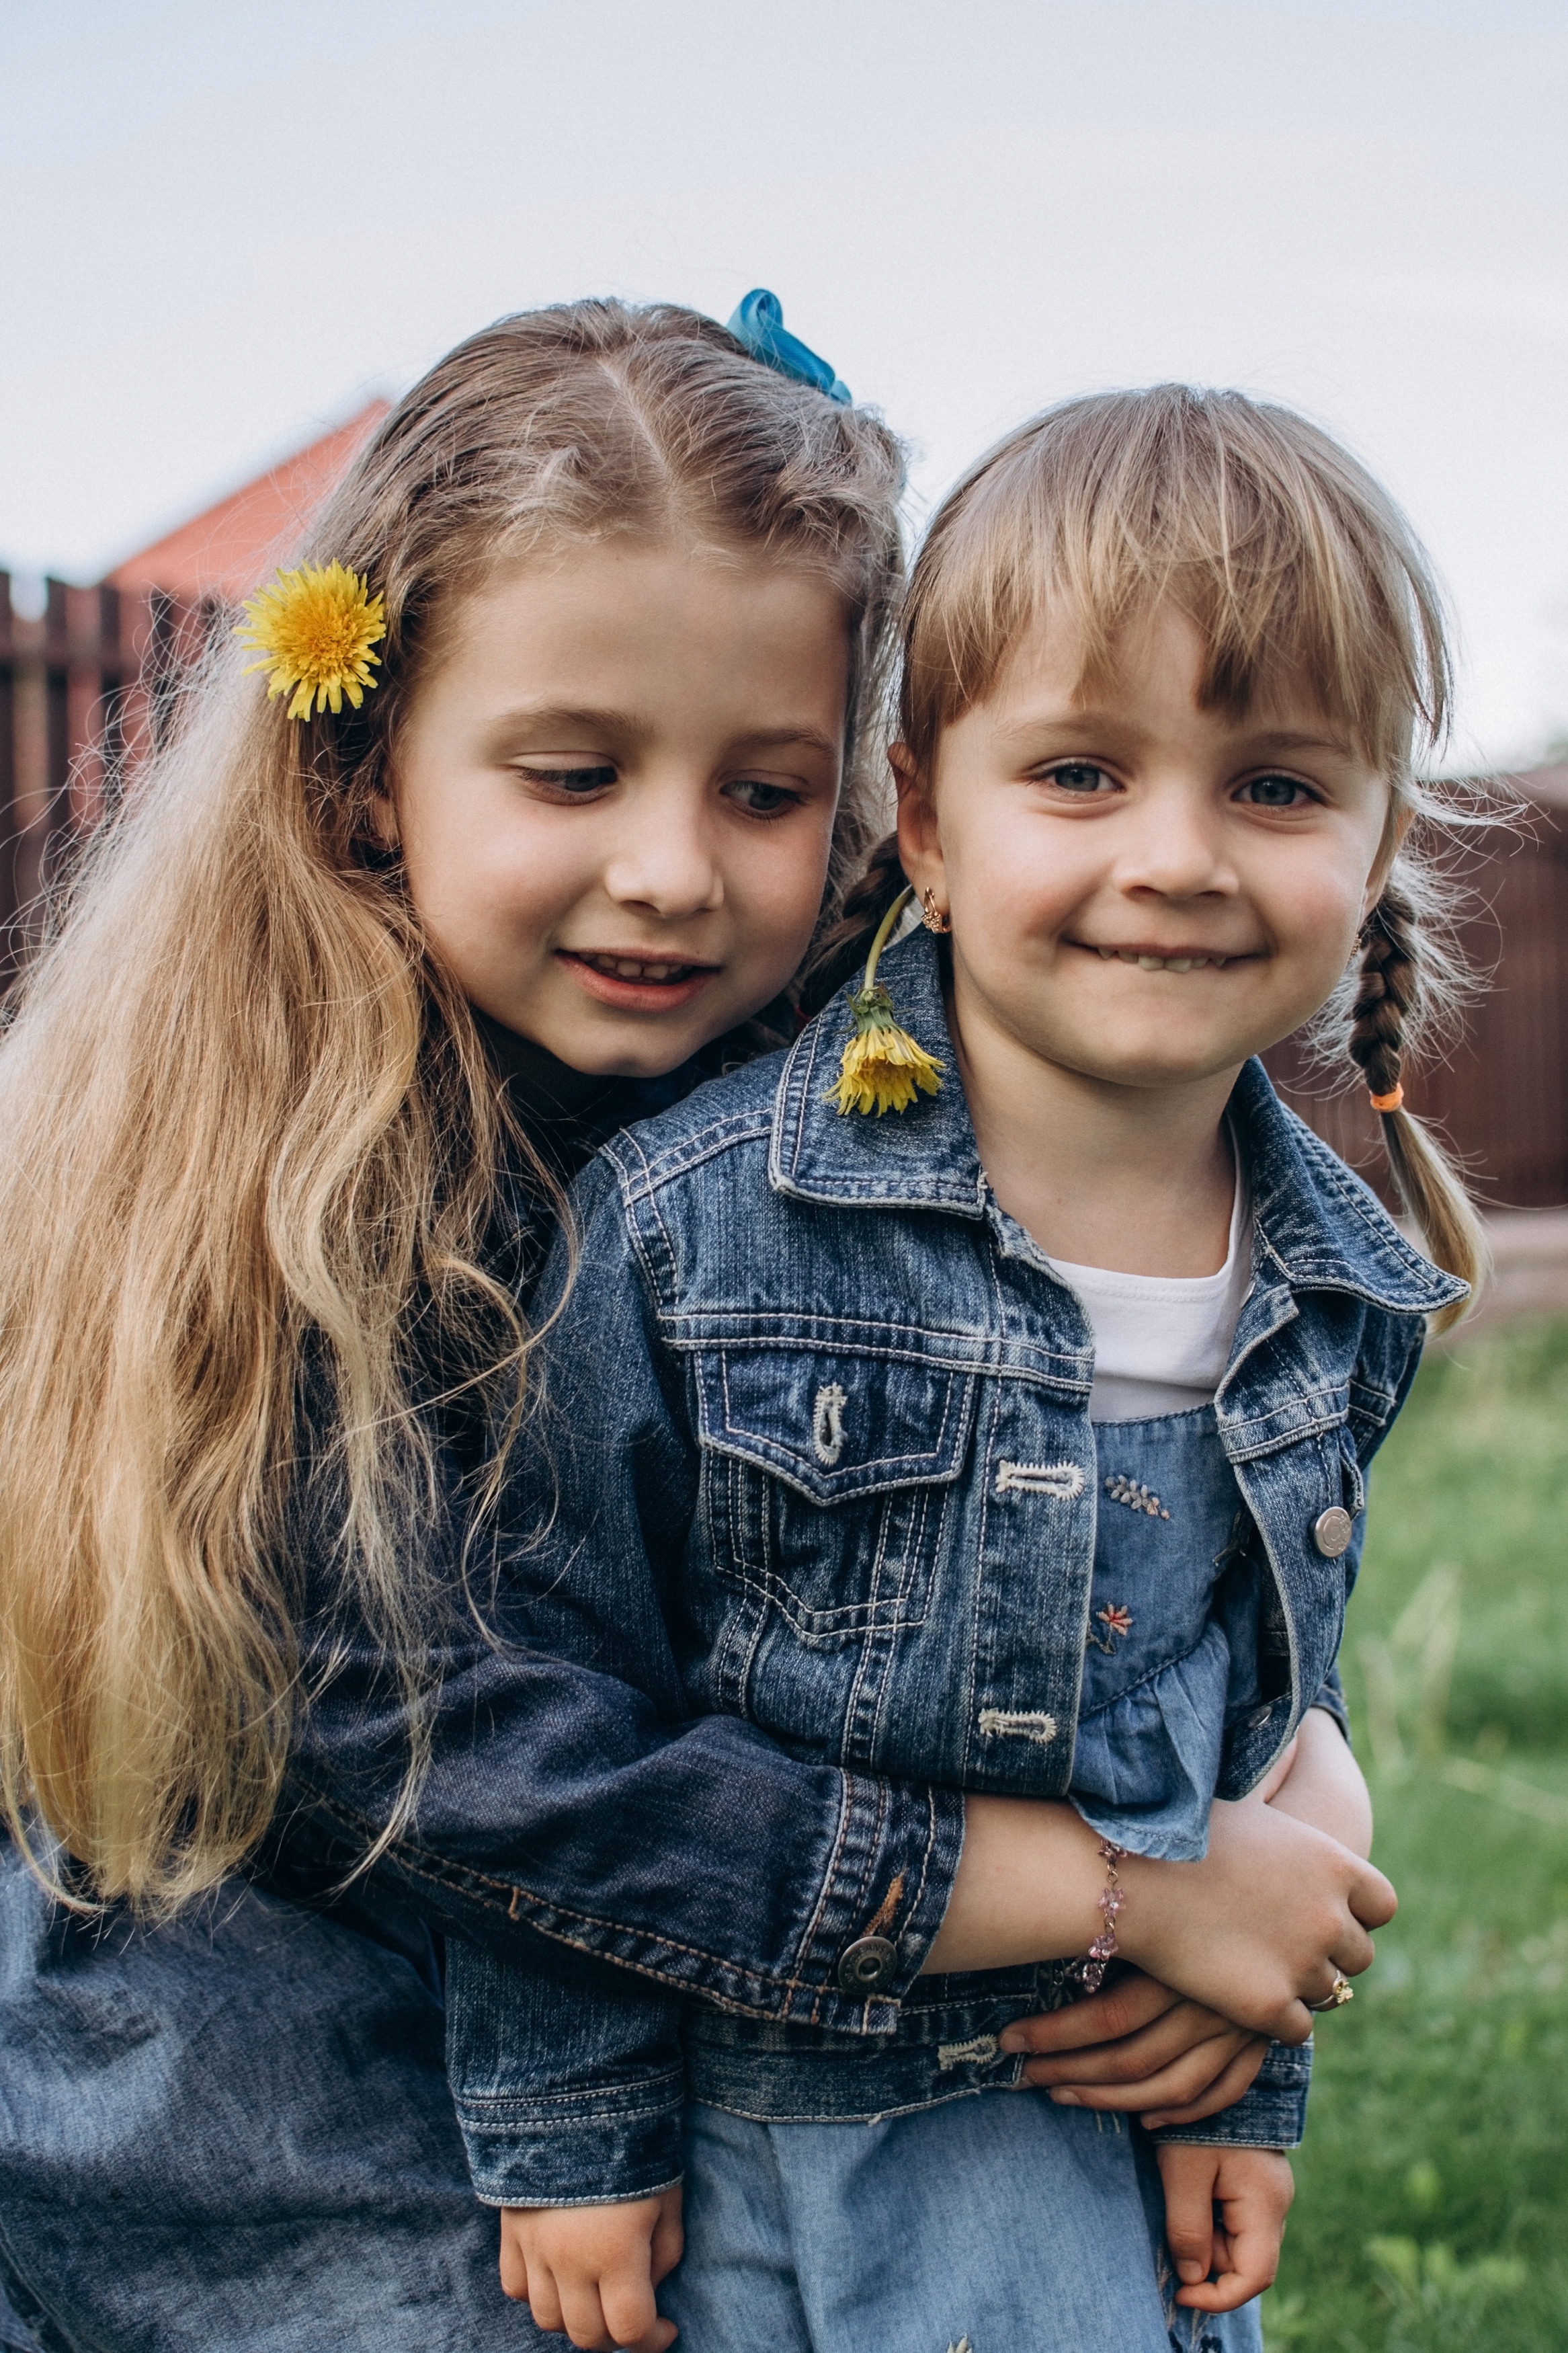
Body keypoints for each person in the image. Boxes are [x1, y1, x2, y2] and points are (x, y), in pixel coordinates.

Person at [0, 294, 1127, 2353]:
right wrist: (1100, 1892)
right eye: (576, 770)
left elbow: (1093, 1457)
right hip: (246, 2064)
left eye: (767, 793)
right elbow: (416, 1731)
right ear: (361, 765)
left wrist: (1286, 1766)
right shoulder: (275, 1153)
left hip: (657, 1988)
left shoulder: (834, 1099)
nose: (673, 870)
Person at [454, 383, 1486, 2352]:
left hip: (1104, 2141)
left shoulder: (1345, 1282)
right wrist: (569, 2122)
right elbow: (558, 1681)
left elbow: (1267, 1710)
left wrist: (1251, 2074)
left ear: (1375, 843)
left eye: (1276, 786)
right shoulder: (703, 1232)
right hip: (778, 2163)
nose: (1179, 856)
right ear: (925, 815)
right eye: (1083, 773)